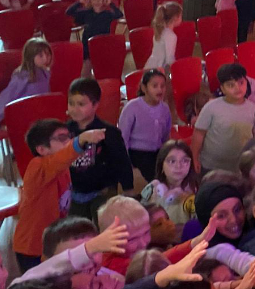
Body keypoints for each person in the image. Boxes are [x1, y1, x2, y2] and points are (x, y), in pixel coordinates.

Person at [11, 120, 105, 271]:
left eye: (69, 136)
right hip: (32, 247)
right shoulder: (38, 166)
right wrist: (79, 141)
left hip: (51, 243)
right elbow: (63, 157)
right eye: (61, 138)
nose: (68, 141)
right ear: (42, 149)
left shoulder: (62, 169)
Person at [67, 78, 135, 222]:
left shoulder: (108, 132)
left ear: (95, 105)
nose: (74, 109)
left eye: (81, 104)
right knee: (76, 229)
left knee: (105, 224)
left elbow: (121, 161)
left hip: (102, 191)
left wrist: (128, 188)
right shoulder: (64, 132)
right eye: (71, 103)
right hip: (76, 192)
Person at [192, 63, 255, 173]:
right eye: (231, 85)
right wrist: (194, 158)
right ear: (222, 89)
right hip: (211, 166)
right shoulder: (211, 107)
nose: (238, 88)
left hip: (239, 168)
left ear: (247, 83)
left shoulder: (254, 109)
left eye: (241, 83)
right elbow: (199, 133)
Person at [118, 69, 172, 182]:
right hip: (138, 154)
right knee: (154, 181)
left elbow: (166, 134)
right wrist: (127, 163)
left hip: (157, 152)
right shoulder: (132, 107)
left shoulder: (165, 108)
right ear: (144, 88)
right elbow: (122, 137)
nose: (160, 90)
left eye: (162, 86)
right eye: (155, 86)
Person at [66, 0, 124, 73]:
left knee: (101, 70)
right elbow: (69, 12)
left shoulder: (107, 14)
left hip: (102, 46)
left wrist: (111, 4)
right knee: (86, 69)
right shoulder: (87, 13)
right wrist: (79, 2)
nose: (96, 2)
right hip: (87, 47)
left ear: (104, 0)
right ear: (90, 0)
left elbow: (119, 14)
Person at [0, 37, 52, 122]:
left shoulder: (45, 72)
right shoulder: (22, 76)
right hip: (22, 114)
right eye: (41, 55)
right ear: (30, 57)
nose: (45, 59)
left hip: (39, 112)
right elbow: (9, 96)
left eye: (47, 54)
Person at [145, 2, 182, 70]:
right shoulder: (171, 36)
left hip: (151, 65)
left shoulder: (161, 30)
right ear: (175, 17)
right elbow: (169, 59)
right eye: (180, 15)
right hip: (159, 69)